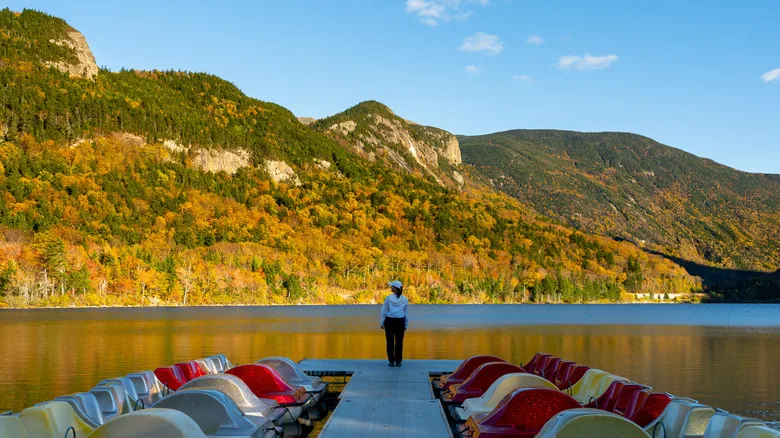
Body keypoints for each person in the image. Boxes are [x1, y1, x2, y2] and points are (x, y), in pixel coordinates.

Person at [380, 280, 408, 367]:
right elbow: (405, 312)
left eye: (392, 286)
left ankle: (391, 361)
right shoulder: (405, 299)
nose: (391, 287)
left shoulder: (388, 298)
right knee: (399, 342)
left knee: (390, 342)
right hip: (400, 321)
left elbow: (384, 311)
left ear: (395, 288)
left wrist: (382, 322)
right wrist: (406, 324)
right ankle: (398, 361)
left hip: (389, 321)